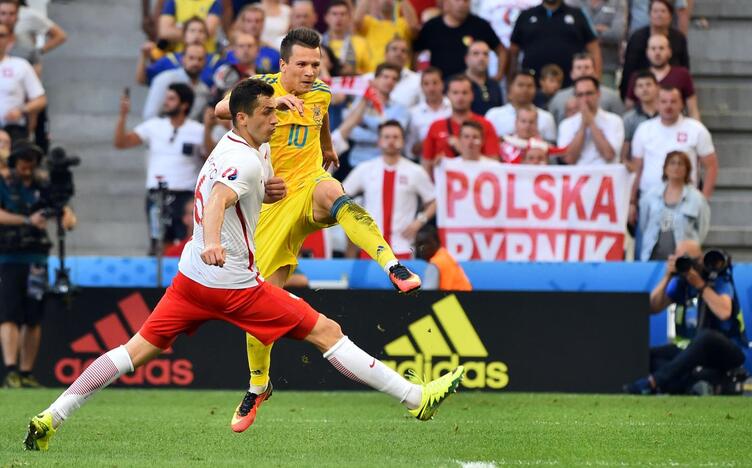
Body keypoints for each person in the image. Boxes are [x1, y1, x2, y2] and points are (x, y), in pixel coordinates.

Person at [23, 79, 464, 451]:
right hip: (234, 286)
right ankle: (415, 397)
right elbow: (218, 199)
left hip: (190, 281)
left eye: (275, 110)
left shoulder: (234, 146)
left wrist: (258, 199)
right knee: (326, 332)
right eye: (267, 113)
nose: (276, 119)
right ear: (242, 119)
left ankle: (50, 417)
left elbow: (230, 189)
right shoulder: (245, 160)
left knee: (129, 352)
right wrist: (214, 240)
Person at [214, 29, 424, 431]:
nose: (311, 72)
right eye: (303, 64)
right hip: (272, 203)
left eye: (316, 63)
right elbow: (222, 109)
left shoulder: (322, 93)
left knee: (335, 194)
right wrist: (273, 101)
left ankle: (392, 263)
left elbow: (320, 114)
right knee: (261, 305)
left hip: (309, 185)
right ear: (283, 65)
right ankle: (259, 386)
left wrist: (327, 147)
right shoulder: (259, 90)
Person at [625, 241, 748, 395]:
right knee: (649, 356)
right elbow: (652, 307)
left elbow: (724, 312)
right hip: (693, 352)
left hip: (725, 350)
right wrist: (667, 277)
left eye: (689, 260)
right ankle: (696, 383)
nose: (686, 265)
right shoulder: (681, 284)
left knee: (706, 337)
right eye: (681, 260)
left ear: (700, 260)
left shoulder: (718, 276)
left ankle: (653, 382)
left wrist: (700, 284)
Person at [0, 143, 76, 388]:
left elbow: (63, 209)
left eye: (32, 160)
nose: (27, 165)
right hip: (8, 257)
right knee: (9, 314)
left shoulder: (43, 184)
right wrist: (27, 220)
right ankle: (11, 370)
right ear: (14, 161)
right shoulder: (4, 183)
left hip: (37, 260)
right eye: (23, 160)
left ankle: (26, 372)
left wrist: (66, 217)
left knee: (33, 317)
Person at [116, 83, 205, 255]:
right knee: (159, 243)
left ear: (184, 104)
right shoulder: (153, 126)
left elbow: (209, 154)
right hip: (157, 195)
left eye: (172, 99)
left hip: (186, 196)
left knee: (189, 242)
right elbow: (121, 142)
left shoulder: (198, 130)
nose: (166, 102)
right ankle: (163, 280)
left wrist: (208, 129)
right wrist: (122, 116)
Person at [343, 120, 436, 259]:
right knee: (371, 281)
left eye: (395, 137)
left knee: (403, 280)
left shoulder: (415, 171)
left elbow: (434, 201)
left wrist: (419, 221)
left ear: (403, 141)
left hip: (403, 245)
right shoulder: (365, 169)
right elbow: (341, 194)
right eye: (386, 137)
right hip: (371, 246)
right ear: (379, 141)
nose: (391, 141)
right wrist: (355, 223)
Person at [630, 85, 717, 202]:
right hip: (649, 199)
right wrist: (631, 201)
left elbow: (711, 166)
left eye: (673, 101)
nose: (668, 106)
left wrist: (703, 199)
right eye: (664, 101)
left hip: (685, 199)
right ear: (656, 104)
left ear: (681, 104)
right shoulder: (644, 129)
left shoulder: (696, 129)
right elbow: (637, 168)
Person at [637, 151, 709, 261]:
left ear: (687, 169)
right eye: (672, 163)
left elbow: (702, 230)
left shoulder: (697, 198)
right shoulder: (650, 195)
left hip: (684, 260)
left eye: (680, 164)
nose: (676, 167)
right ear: (665, 168)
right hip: (652, 257)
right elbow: (644, 224)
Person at [509, 0, 600, 86]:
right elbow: (513, 53)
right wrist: (511, 82)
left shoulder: (578, 14)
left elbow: (594, 49)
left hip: (571, 87)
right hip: (532, 87)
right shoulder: (526, 15)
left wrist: (596, 80)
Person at [421, 75, 500, 173]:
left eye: (465, 93)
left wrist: (464, 150)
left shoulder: (486, 125)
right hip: (445, 185)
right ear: (447, 95)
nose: (460, 97)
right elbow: (426, 164)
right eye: (455, 93)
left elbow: (494, 163)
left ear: (472, 95)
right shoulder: (436, 126)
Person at [413, 0, 505, 79]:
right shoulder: (432, 27)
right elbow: (415, 52)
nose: (462, 4)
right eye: (457, 0)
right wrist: (418, 78)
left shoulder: (480, 25)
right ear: (447, 2)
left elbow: (501, 51)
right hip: (441, 88)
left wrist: (498, 75)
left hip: (473, 89)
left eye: (466, 1)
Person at [344, 63, 410, 169]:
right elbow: (350, 131)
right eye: (385, 77)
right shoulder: (361, 103)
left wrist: (365, 123)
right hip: (358, 161)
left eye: (394, 79)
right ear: (375, 79)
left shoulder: (401, 109)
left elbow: (396, 134)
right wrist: (383, 135)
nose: (390, 81)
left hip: (387, 164)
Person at [620, 0, 689, 100]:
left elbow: (684, 66)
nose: (659, 15)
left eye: (663, 11)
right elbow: (628, 70)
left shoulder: (679, 39)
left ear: (670, 16)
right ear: (649, 14)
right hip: (641, 94)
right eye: (655, 11)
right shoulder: (637, 38)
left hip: (672, 93)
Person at [625, 33, 698, 120]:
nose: (657, 52)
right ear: (647, 52)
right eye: (653, 49)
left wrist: (696, 127)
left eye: (661, 48)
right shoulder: (637, 77)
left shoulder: (682, 74)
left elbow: (692, 109)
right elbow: (629, 106)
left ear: (669, 52)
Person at [557, 76, 624, 166]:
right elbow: (569, 159)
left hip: (606, 176)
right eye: (580, 95)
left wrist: (591, 123)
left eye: (589, 93)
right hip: (579, 177)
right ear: (575, 97)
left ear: (598, 94)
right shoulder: (566, 124)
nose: (585, 99)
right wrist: (582, 126)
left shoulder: (615, 121)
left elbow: (609, 155)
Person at [549, 52, 624, 125]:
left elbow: (619, 124)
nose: (583, 71)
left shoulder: (611, 97)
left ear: (594, 72)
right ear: (572, 73)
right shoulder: (559, 98)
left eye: (587, 67)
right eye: (578, 68)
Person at [143, 43, 211, 121]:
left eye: (200, 59)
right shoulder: (165, 79)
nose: (196, 63)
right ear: (182, 59)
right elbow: (150, 116)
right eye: (191, 58)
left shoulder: (204, 90)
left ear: (205, 62)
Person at [0, 22, 45, 137]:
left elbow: (40, 99)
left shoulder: (20, 65)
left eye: (1, 35)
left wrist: (21, 110)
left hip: (12, 128)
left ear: (10, 39)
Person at [485, 70, 556, 141]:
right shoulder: (494, 115)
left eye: (529, 86)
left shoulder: (546, 117)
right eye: (520, 85)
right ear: (510, 88)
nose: (525, 89)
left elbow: (551, 147)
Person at [571, 0, 627, 86]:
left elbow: (617, 34)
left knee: (606, 98)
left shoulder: (618, 2)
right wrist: (600, 29)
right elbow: (570, 33)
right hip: (577, 67)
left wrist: (585, 32)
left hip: (607, 67)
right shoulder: (573, 2)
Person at [353, 0, 419, 70]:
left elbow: (413, 27)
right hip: (374, 73)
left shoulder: (403, 23)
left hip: (401, 73)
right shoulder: (369, 23)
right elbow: (356, 21)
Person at [406, 67, 451, 159]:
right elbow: (409, 150)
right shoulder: (413, 113)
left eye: (435, 83)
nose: (431, 88)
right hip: (424, 163)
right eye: (426, 84)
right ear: (421, 87)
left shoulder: (453, 108)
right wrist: (424, 144)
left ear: (442, 84)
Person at [415, 224, 473, 291]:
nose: (422, 248)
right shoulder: (445, 256)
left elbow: (426, 296)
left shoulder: (435, 264)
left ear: (437, 242)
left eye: (426, 243)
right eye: (418, 244)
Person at [322, 0, 373, 76]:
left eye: (343, 14)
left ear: (349, 17)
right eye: (334, 14)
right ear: (326, 18)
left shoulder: (361, 43)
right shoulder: (318, 43)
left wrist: (354, 72)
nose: (339, 18)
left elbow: (370, 73)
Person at [621, 70, 658, 165]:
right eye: (640, 86)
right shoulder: (628, 119)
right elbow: (624, 153)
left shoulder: (666, 115)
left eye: (648, 85)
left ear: (657, 88)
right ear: (635, 91)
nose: (645, 89)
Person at [157, 0, 222, 53]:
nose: (196, 35)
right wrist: (196, 34)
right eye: (192, 31)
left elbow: (209, 31)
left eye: (200, 31)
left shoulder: (213, 2)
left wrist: (181, 30)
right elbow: (164, 32)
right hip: (177, 55)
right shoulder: (173, 1)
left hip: (206, 56)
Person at [465, 40, 503, 116]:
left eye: (486, 54)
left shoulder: (494, 85)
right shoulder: (456, 83)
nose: (481, 58)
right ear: (467, 59)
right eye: (476, 54)